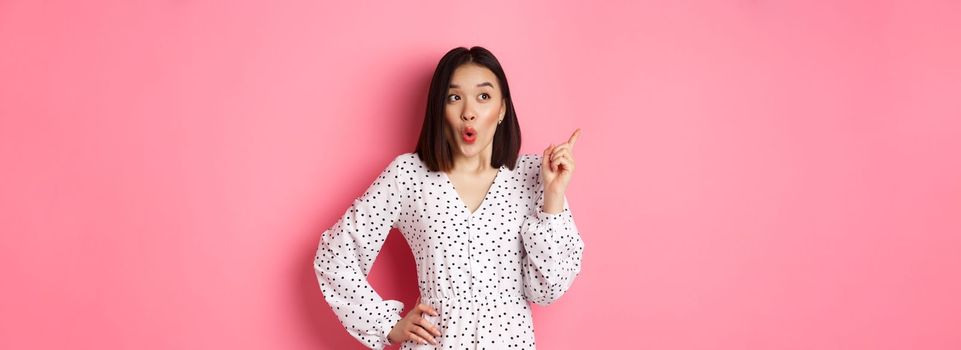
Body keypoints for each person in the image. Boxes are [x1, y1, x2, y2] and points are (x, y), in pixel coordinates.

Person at [312, 46, 585, 349]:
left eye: (483, 97)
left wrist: (554, 196)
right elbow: (336, 256)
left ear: (502, 110)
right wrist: (387, 324)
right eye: (454, 97)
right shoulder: (408, 175)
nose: (469, 111)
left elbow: (547, 290)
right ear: (439, 109)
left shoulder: (535, 175)